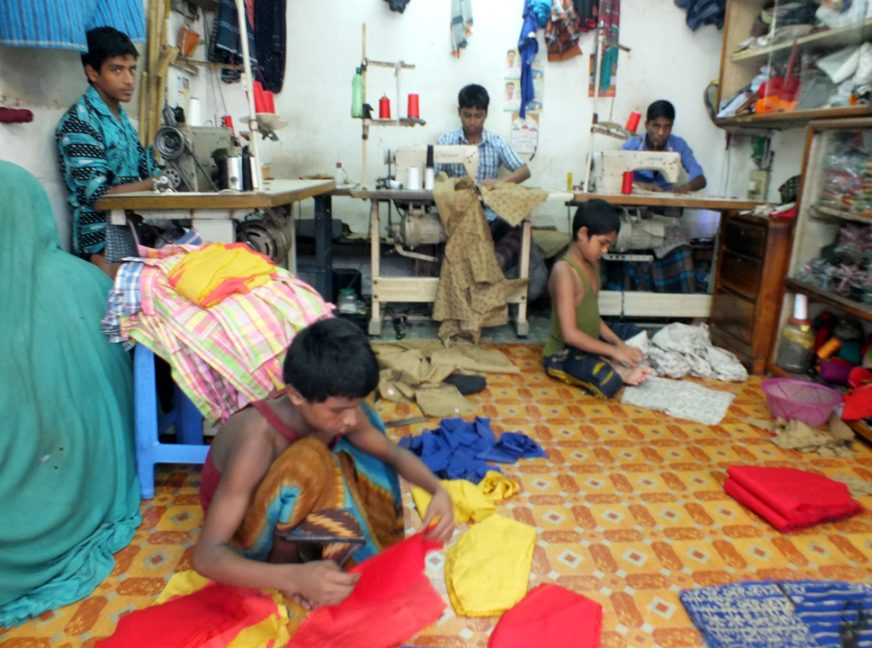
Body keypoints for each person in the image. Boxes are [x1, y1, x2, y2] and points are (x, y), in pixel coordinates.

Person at [193, 317, 454, 607]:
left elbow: (392, 454)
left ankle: (344, 555)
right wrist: (293, 578)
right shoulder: (257, 441)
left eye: (353, 405)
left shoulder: (337, 411)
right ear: (295, 396)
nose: (350, 418)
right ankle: (286, 567)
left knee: (367, 432)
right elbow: (207, 556)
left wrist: (438, 490)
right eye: (338, 410)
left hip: (285, 507)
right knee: (306, 461)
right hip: (243, 539)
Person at [56, 26, 161, 278]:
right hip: (102, 242)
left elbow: (150, 170)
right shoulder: (80, 123)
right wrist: (155, 183)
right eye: (117, 70)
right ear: (92, 72)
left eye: (132, 69)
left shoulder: (123, 122)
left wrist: (163, 179)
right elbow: (99, 196)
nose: (129, 80)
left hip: (131, 229)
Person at [436, 84, 547, 300]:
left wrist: (499, 182)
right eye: (467, 115)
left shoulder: (496, 143)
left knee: (520, 228)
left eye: (478, 115)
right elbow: (434, 180)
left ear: (486, 114)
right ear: (459, 113)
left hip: (491, 219)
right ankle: (487, 277)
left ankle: (488, 273)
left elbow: (524, 170)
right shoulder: (446, 142)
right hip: (461, 220)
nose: (473, 121)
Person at [544, 200, 654, 398]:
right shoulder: (564, 271)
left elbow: (593, 317)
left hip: (590, 341)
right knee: (608, 383)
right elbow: (570, 335)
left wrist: (618, 343)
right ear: (583, 234)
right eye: (602, 243)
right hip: (564, 353)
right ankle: (618, 369)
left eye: (608, 245)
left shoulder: (593, 264)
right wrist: (614, 352)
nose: (605, 250)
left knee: (634, 332)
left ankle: (613, 361)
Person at [622, 100, 706, 194]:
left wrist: (684, 187)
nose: (661, 133)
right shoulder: (632, 145)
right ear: (646, 125)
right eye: (656, 126)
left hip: (665, 201)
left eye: (667, 127)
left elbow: (700, 179)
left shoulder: (678, 145)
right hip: (634, 200)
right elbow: (617, 179)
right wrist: (642, 185)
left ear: (672, 127)